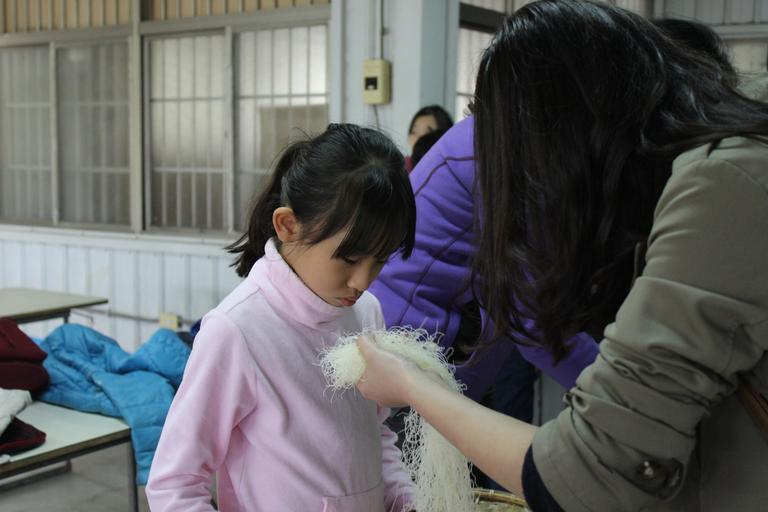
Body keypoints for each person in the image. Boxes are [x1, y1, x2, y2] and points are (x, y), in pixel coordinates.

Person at [353, 1, 768, 511]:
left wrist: (599, 407)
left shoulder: (723, 184)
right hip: (432, 354)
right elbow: (527, 304)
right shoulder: (496, 158)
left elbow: (589, 472)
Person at [146, 124, 417, 511]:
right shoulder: (237, 331)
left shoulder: (366, 312)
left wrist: (407, 500)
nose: (362, 281)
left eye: (380, 260)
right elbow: (174, 484)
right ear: (288, 226)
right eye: (349, 258)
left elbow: (375, 434)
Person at [405, 105, 454, 171]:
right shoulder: (402, 167)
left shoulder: (449, 170)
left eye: (427, 133)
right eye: (414, 131)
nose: (418, 139)